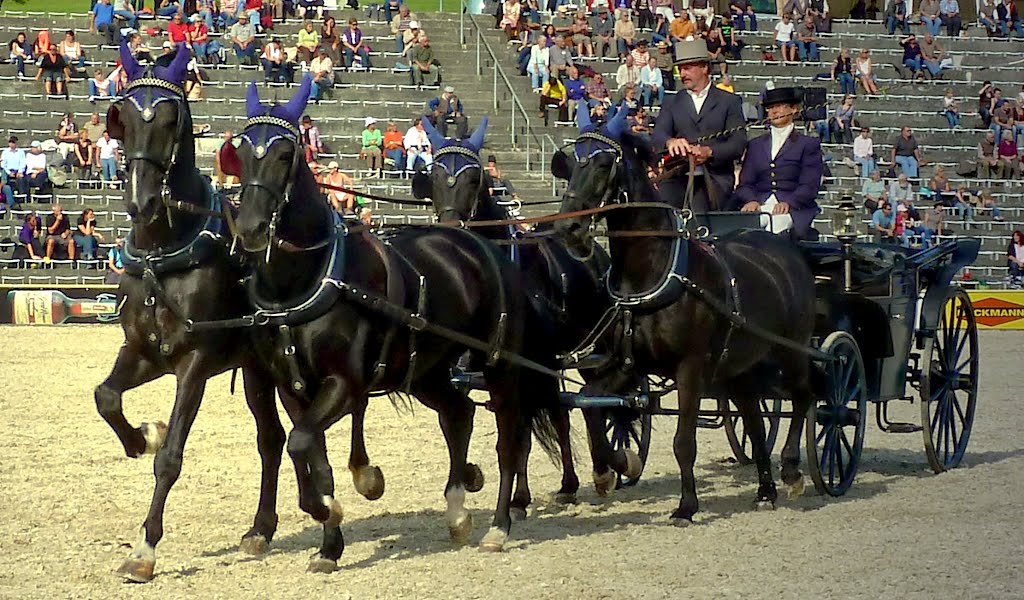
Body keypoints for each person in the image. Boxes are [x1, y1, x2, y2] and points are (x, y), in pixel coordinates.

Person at [653, 40, 746, 216]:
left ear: (704, 67)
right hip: (676, 177)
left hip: (714, 180)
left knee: (698, 212)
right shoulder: (671, 102)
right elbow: (658, 135)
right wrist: (670, 141)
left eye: (687, 68)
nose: (682, 73)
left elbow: (738, 143)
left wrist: (709, 152)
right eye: (680, 69)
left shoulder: (729, 101)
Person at [733, 86, 823, 238]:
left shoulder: (808, 144)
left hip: (793, 208)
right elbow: (745, 183)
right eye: (771, 108)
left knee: (775, 227)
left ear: (794, 109)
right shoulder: (755, 144)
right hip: (760, 206)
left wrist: (789, 202)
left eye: (780, 106)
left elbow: (809, 185)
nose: (775, 111)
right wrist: (752, 200)